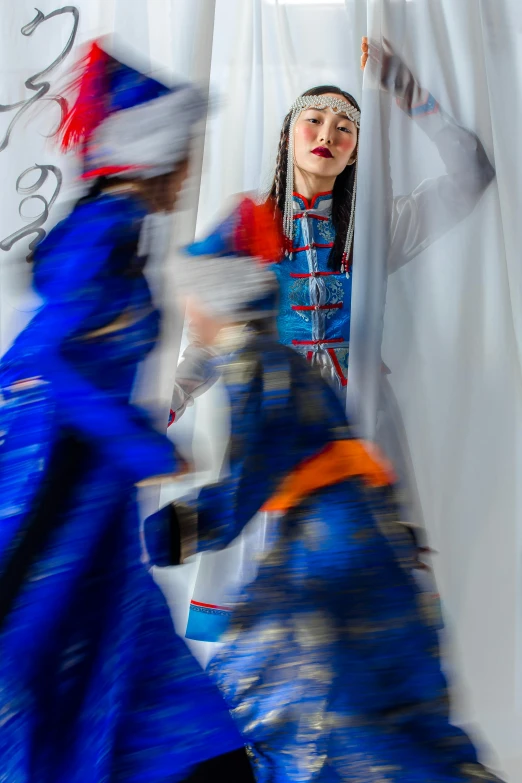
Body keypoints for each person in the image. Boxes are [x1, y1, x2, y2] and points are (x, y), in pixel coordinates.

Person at [150, 201, 504, 782]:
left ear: (216, 300)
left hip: (328, 549)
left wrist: (180, 527)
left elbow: (250, 475)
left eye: (193, 297)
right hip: (353, 533)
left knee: (293, 685)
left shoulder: (254, 364)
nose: (188, 311)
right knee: (371, 690)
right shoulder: (282, 360)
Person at [0, 41, 252, 783]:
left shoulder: (121, 234)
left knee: (140, 699)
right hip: (61, 511)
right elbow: (36, 361)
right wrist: (143, 447)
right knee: (39, 684)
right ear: (158, 154)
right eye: (186, 153)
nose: (190, 170)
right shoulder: (104, 232)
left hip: (99, 521)